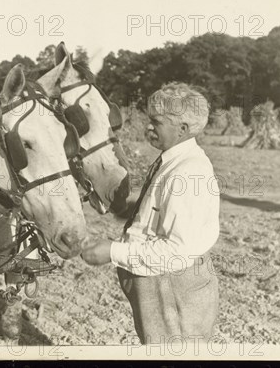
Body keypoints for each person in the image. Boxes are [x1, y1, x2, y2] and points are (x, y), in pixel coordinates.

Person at [81, 82, 220, 344]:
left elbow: (176, 252)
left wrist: (111, 251)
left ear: (183, 129)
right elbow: (163, 213)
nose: (148, 127)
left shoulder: (186, 173)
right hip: (166, 283)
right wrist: (128, 210)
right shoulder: (175, 160)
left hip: (171, 286)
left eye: (156, 122)